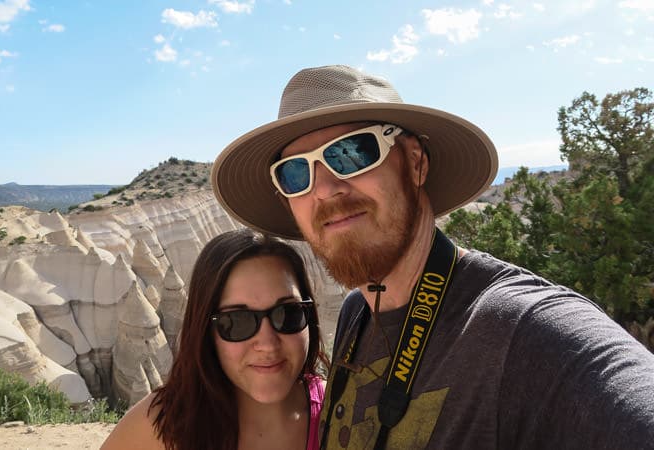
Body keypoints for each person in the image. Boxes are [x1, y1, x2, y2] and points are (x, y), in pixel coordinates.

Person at [211, 65, 654, 449]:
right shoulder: (357, 315)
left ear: (416, 163)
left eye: (352, 153)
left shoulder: (524, 332)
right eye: (295, 172)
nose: (325, 188)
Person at [102, 228, 328, 450]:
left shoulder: (343, 412)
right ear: (206, 332)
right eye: (237, 322)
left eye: (288, 313)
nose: (268, 344)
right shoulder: (164, 425)